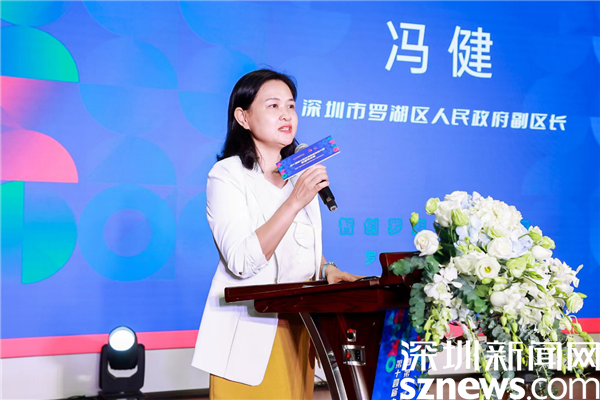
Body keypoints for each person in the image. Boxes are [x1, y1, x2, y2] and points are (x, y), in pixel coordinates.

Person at [191, 69, 360, 399]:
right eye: (273, 106)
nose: (286, 115)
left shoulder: (299, 173)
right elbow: (241, 261)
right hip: (249, 332)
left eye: (291, 106)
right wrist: (294, 202)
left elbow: (296, 245)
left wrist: (327, 268)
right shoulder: (227, 175)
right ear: (243, 117)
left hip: (300, 329)